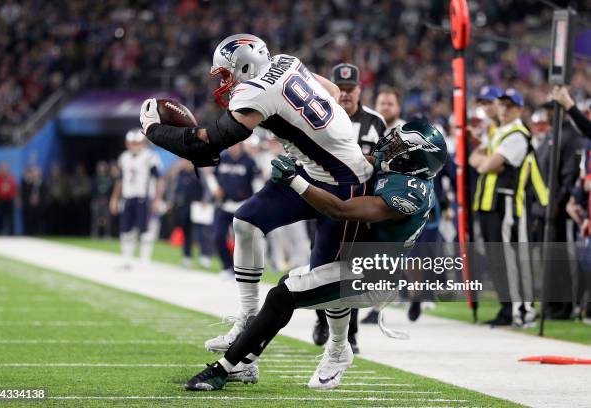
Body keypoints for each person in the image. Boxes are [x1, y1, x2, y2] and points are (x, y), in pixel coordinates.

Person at [140, 34, 374, 382]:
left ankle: (339, 348)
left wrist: (155, 131)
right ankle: (247, 321)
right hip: (311, 170)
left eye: (226, 74)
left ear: (246, 65)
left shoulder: (256, 90)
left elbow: (210, 144)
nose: (224, 82)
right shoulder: (287, 60)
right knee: (246, 221)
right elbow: (333, 92)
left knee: (325, 276)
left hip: (345, 183)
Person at [183, 118, 447, 391]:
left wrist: (294, 181)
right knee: (296, 286)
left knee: (283, 295)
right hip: (359, 262)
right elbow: (350, 158)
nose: (387, 146)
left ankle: (223, 368)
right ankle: (257, 360)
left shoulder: (410, 192)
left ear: (414, 158)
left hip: (373, 276)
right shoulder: (400, 173)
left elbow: (341, 210)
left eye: (397, 146)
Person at [312, 63, 386, 352]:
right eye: (339, 89)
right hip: (325, 200)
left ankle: (350, 333)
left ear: (359, 90)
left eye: (349, 89)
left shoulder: (375, 121)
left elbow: (384, 160)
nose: (344, 94)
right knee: (320, 264)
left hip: (359, 205)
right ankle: (321, 318)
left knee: (353, 270)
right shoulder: (318, 114)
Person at [469, 88, 548, 327]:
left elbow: (486, 164)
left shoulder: (517, 133)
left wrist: (486, 163)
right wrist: (486, 163)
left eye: (510, 105)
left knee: (509, 258)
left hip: (506, 201)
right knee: (497, 259)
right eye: (502, 104)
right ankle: (507, 310)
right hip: (489, 201)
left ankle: (520, 310)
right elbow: (476, 160)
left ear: (519, 109)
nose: (504, 109)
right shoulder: (500, 132)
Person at [361, 86, 405, 324]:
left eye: (389, 104)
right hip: (372, 195)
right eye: (381, 103)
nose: (385, 108)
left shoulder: (406, 132)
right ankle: (378, 303)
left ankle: (387, 302)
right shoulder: (370, 127)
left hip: (395, 197)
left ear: (398, 108)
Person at [109, 128, 164, 268]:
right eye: (131, 143)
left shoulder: (150, 157)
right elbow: (120, 180)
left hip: (144, 197)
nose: (134, 146)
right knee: (126, 230)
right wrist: (114, 198)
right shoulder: (124, 157)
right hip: (128, 197)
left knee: (145, 231)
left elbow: (159, 179)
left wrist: (157, 199)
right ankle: (126, 258)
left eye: (136, 143)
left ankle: (145, 259)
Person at [208, 143, 261, 278]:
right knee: (218, 236)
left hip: (242, 205)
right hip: (224, 204)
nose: (234, 147)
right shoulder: (221, 158)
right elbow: (211, 175)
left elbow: (256, 182)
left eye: (237, 144)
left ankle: (241, 268)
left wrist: (256, 203)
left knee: (242, 240)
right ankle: (226, 266)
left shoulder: (249, 161)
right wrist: (215, 189)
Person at [171, 159, 212, 268]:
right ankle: (187, 256)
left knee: (201, 232)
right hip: (184, 206)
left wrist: (205, 200)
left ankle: (204, 256)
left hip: (197, 206)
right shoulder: (180, 173)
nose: (185, 163)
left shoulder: (199, 172)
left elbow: (207, 189)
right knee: (186, 232)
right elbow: (176, 188)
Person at [0, 162, 17, 235]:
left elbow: (15, 190)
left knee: (10, 219)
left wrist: (16, 201)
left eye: (6, 168)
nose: (4, 170)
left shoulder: (11, 178)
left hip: (9, 200)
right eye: (2, 168)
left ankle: (12, 235)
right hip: (0, 200)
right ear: (0, 170)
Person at [90, 161, 114, 238]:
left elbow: (111, 191)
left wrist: (107, 199)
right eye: (100, 167)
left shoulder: (109, 179)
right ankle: (95, 234)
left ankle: (107, 234)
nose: (102, 169)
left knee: (108, 219)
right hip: (97, 202)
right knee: (95, 219)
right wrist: (97, 199)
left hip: (106, 202)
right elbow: (92, 191)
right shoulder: (95, 179)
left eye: (103, 167)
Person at [21, 165, 46, 235]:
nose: (35, 174)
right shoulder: (28, 182)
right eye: (33, 172)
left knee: (39, 221)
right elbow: (25, 191)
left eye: (36, 172)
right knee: (29, 221)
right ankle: (29, 234)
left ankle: (40, 233)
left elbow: (44, 194)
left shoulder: (42, 182)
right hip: (30, 206)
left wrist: (38, 200)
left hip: (39, 206)